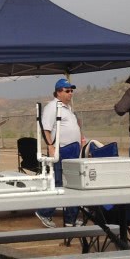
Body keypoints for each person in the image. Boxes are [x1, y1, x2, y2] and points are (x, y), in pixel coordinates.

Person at [36, 78, 84, 229]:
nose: (70, 93)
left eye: (71, 91)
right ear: (58, 92)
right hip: (62, 149)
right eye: (67, 91)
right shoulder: (52, 107)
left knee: (73, 184)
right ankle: (44, 212)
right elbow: (46, 129)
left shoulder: (67, 108)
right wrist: (50, 146)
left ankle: (71, 219)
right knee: (59, 183)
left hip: (73, 149)